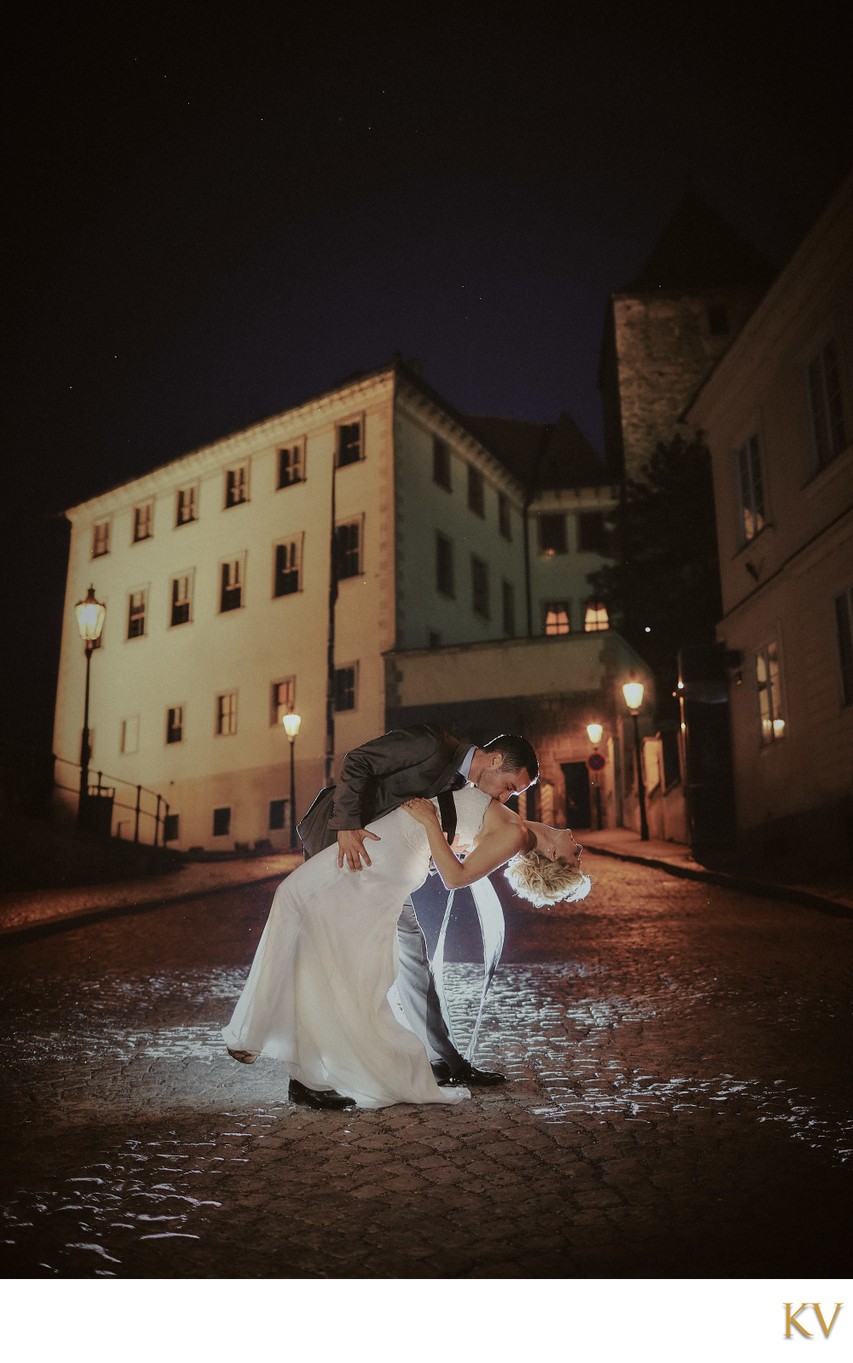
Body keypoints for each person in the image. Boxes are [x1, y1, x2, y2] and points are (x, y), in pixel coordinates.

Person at [222, 781, 590, 1111]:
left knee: (294, 899)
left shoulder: (515, 836)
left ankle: (254, 1036)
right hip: (396, 847)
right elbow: (465, 827)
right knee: (331, 944)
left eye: (576, 856)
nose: (579, 847)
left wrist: (431, 823)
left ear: (554, 857)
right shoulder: (515, 824)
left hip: (390, 853)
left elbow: (455, 877)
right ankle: (304, 1072)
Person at [296, 725, 538, 1087]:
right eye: (509, 786)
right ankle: (306, 1078)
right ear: (496, 759)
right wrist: (346, 825)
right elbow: (357, 761)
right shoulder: (431, 743)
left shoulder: (464, 788)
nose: (505, 798)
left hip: (382, 868)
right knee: (339, 961)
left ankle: (444, 1060)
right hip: (343, 848)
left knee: (411, 953)